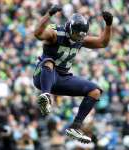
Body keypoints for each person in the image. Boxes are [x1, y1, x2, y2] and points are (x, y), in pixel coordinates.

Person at [33, 5, 113, 143]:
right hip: (43, 76)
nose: (78, 38)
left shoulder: (80, 39)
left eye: (81, 35)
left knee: (95, 91)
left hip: (62, 78)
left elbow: (102, 43)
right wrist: (48, 14)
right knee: (49, 61)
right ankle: (45, 97)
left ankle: (75, 126)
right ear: (69, 28)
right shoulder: (56, 34)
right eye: (76, 34)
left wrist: (108, 25)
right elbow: (37, 33)